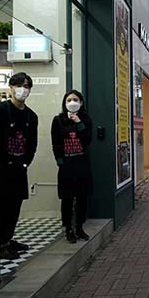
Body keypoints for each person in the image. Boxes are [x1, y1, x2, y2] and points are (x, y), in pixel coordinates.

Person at [0, 72, 38, 260]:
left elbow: (32, 144)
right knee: (2, 208)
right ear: (10, 87)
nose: (22, 90)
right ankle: (2, 244)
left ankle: (8, 239)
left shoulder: (31, 116)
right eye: (19, 85)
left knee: (15, 206)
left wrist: (25, 163)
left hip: (19, 168)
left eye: (26, 86)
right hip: (1, 169)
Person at [50, 90, 93, 243]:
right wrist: (60, 162)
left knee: (82, 197)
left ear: (81, 102)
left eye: (75, 99)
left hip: (82, 164)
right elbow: (55, 143)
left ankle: (79, 227)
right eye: (69, 100)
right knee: (67, 198)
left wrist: (78, 122)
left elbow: (87, 139)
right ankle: (68, 228)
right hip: (66, 166)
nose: (72, 102)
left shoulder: (85, 119)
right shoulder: (58, 120)